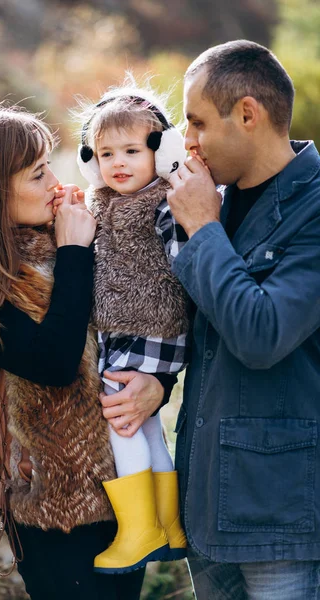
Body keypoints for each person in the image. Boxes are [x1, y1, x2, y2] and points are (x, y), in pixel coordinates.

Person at [0, 102, 170, 600]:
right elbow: (53, 363)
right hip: (52, 507)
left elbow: (139, 324)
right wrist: (76, 251)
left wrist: (157, 386)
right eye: (37, 174)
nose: (56, 181)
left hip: (125, 490)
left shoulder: (47, 240)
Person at [166, 39, 320, 599]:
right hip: (205, 498)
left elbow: (262, 334)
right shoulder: (217, 199)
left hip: (278, 518)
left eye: (198, 122)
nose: (188, 141)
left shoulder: (315, 208)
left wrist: (204, 230)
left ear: (248, 115)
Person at [68, 83, 189, 574]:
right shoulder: (104, 201)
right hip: (130, 330)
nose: (118, 163)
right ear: (90, 160)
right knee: (145, 428)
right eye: (106, 153)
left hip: (151, 324)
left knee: (120, 421)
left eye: (132, 151)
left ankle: (139, 529)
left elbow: (186, 259)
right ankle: (167, 523)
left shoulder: (163, 200)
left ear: (161, 151)